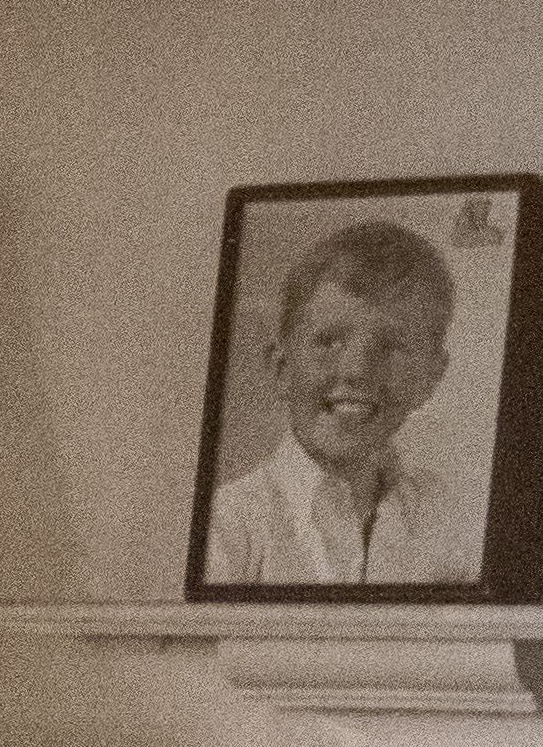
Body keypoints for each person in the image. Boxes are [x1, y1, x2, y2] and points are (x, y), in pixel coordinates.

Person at [202, 219, 478, 585]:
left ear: (430, 376)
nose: (357, 371)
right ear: (281, 367)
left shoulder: (451, 519)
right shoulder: (229, 525)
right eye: (329, 341)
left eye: (391, 346)